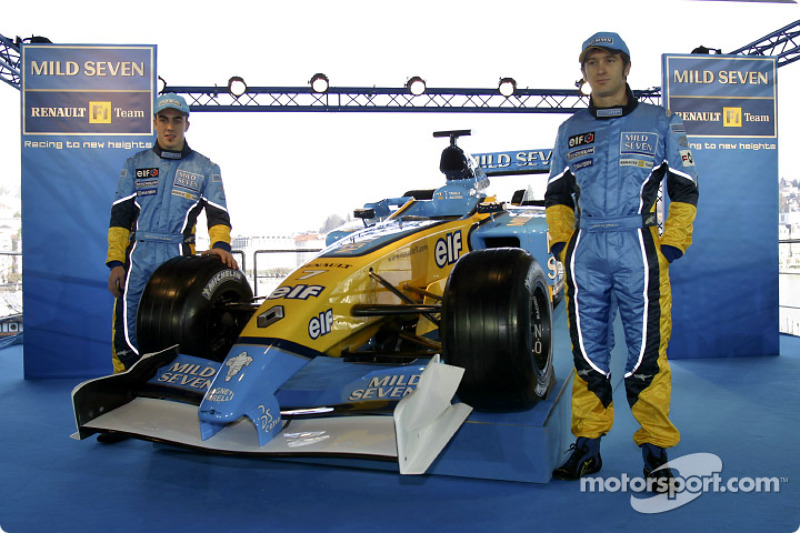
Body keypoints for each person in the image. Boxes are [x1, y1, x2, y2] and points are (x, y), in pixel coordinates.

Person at [545, 32, 699, 490]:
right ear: (584, 71)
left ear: (626, 67)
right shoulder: (569, 129)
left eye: (610, 60)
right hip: (586, 252)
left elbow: (685, 186)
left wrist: (671, 245)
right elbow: (556, 194)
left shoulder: (661, 122)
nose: (601, 69)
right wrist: (561, 245)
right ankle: (588, 448)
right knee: (587, 355)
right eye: (592, 62)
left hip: (639, 249)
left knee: (647, 357)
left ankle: (655, 453)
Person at [107, 93, 238, 373]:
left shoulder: (206, 168)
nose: (170, 127)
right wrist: (116, 263)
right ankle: (125, 382)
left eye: (177, 120)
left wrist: (222, 246)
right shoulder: (134, 164)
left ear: (186, 124)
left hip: (179, 260)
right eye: (164, 119)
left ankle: (174, 383)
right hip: (137, 258)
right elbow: (120, 217)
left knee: (179, 326)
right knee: (127, 330)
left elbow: (218, 214)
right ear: (154, 122)